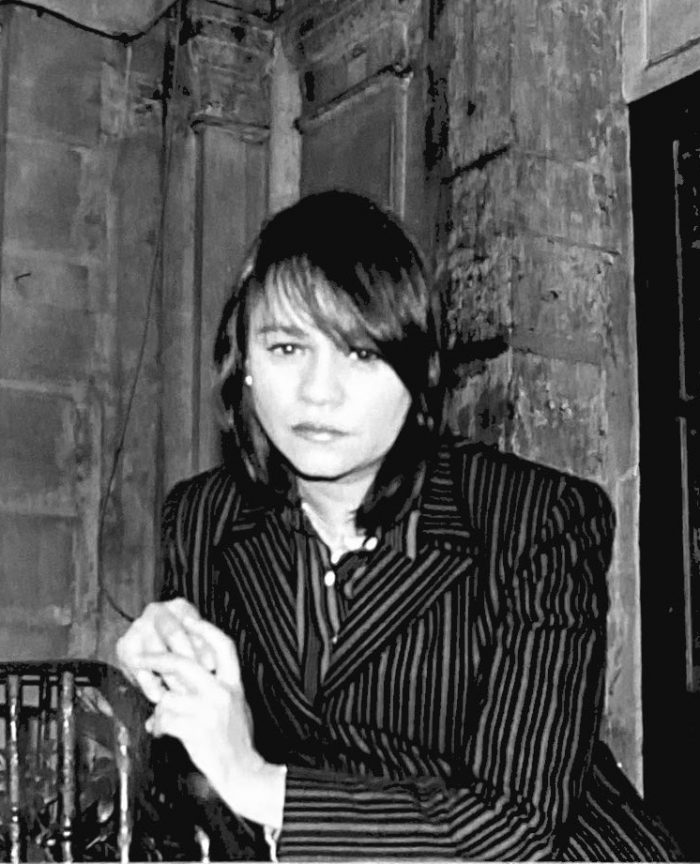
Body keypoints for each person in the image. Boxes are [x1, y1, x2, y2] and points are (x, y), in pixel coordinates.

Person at [117, 190, 681, 860]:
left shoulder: (536, 520)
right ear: (243, 367)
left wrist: (257, 783)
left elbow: (514, 828)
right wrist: (165, 685)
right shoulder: (204, 519)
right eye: (287, 347)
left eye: (360, 354)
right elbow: (198, 788)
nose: (318, 391)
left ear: (419, 374)